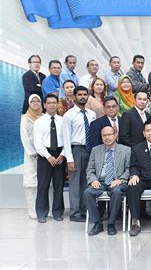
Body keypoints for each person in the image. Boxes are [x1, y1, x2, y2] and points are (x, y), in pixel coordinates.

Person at [84, 126, 130, 236]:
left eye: (109, 134)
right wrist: (93, 180)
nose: (107, 137)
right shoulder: (96, 150)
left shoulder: (126, 150)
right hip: (101, 182)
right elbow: (90, 169)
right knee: (87, 192)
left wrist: (121, 180)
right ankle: (97, 223)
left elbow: (129, 169)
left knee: (117, 192)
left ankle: (111, 223)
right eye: (104, 135)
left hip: (117, 181)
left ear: (115, 135)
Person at [62, 86, 97, 222]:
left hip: (90, 150)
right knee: (75, 182)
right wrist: (69, 159)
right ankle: (75, 212)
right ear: (75, 97)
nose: (83, 97)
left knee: (86, 181)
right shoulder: (69, 115)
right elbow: (66, 138)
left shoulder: (91, 114)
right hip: (76, 150)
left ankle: (84, 210)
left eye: (85, 94)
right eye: (80, 94)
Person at [33, 94, 66, 223]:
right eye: (49, 103)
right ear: (45, 105)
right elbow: (37, 142)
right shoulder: (39, 122)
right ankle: (41, 212)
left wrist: (63, 154)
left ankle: (57, 212)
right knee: (43, 185)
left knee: (59, 185)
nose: (52, 105)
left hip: (60, 155)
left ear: (57, 104)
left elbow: (67, 139)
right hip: (44, 156)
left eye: (54, 102)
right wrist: (48, 156)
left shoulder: (63, 120)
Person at [20, 94, 43, 218]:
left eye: (38, 101)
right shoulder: (25, 118)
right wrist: (32, 152)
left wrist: (42, 151)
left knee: (44, 183)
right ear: (29, 103)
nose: (35, 103)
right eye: (33, 101)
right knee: (31, 183)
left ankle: (45, 208)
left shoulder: (44, 117)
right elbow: (24, 136)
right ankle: (32, 210)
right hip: (31, 155)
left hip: (44, 154)